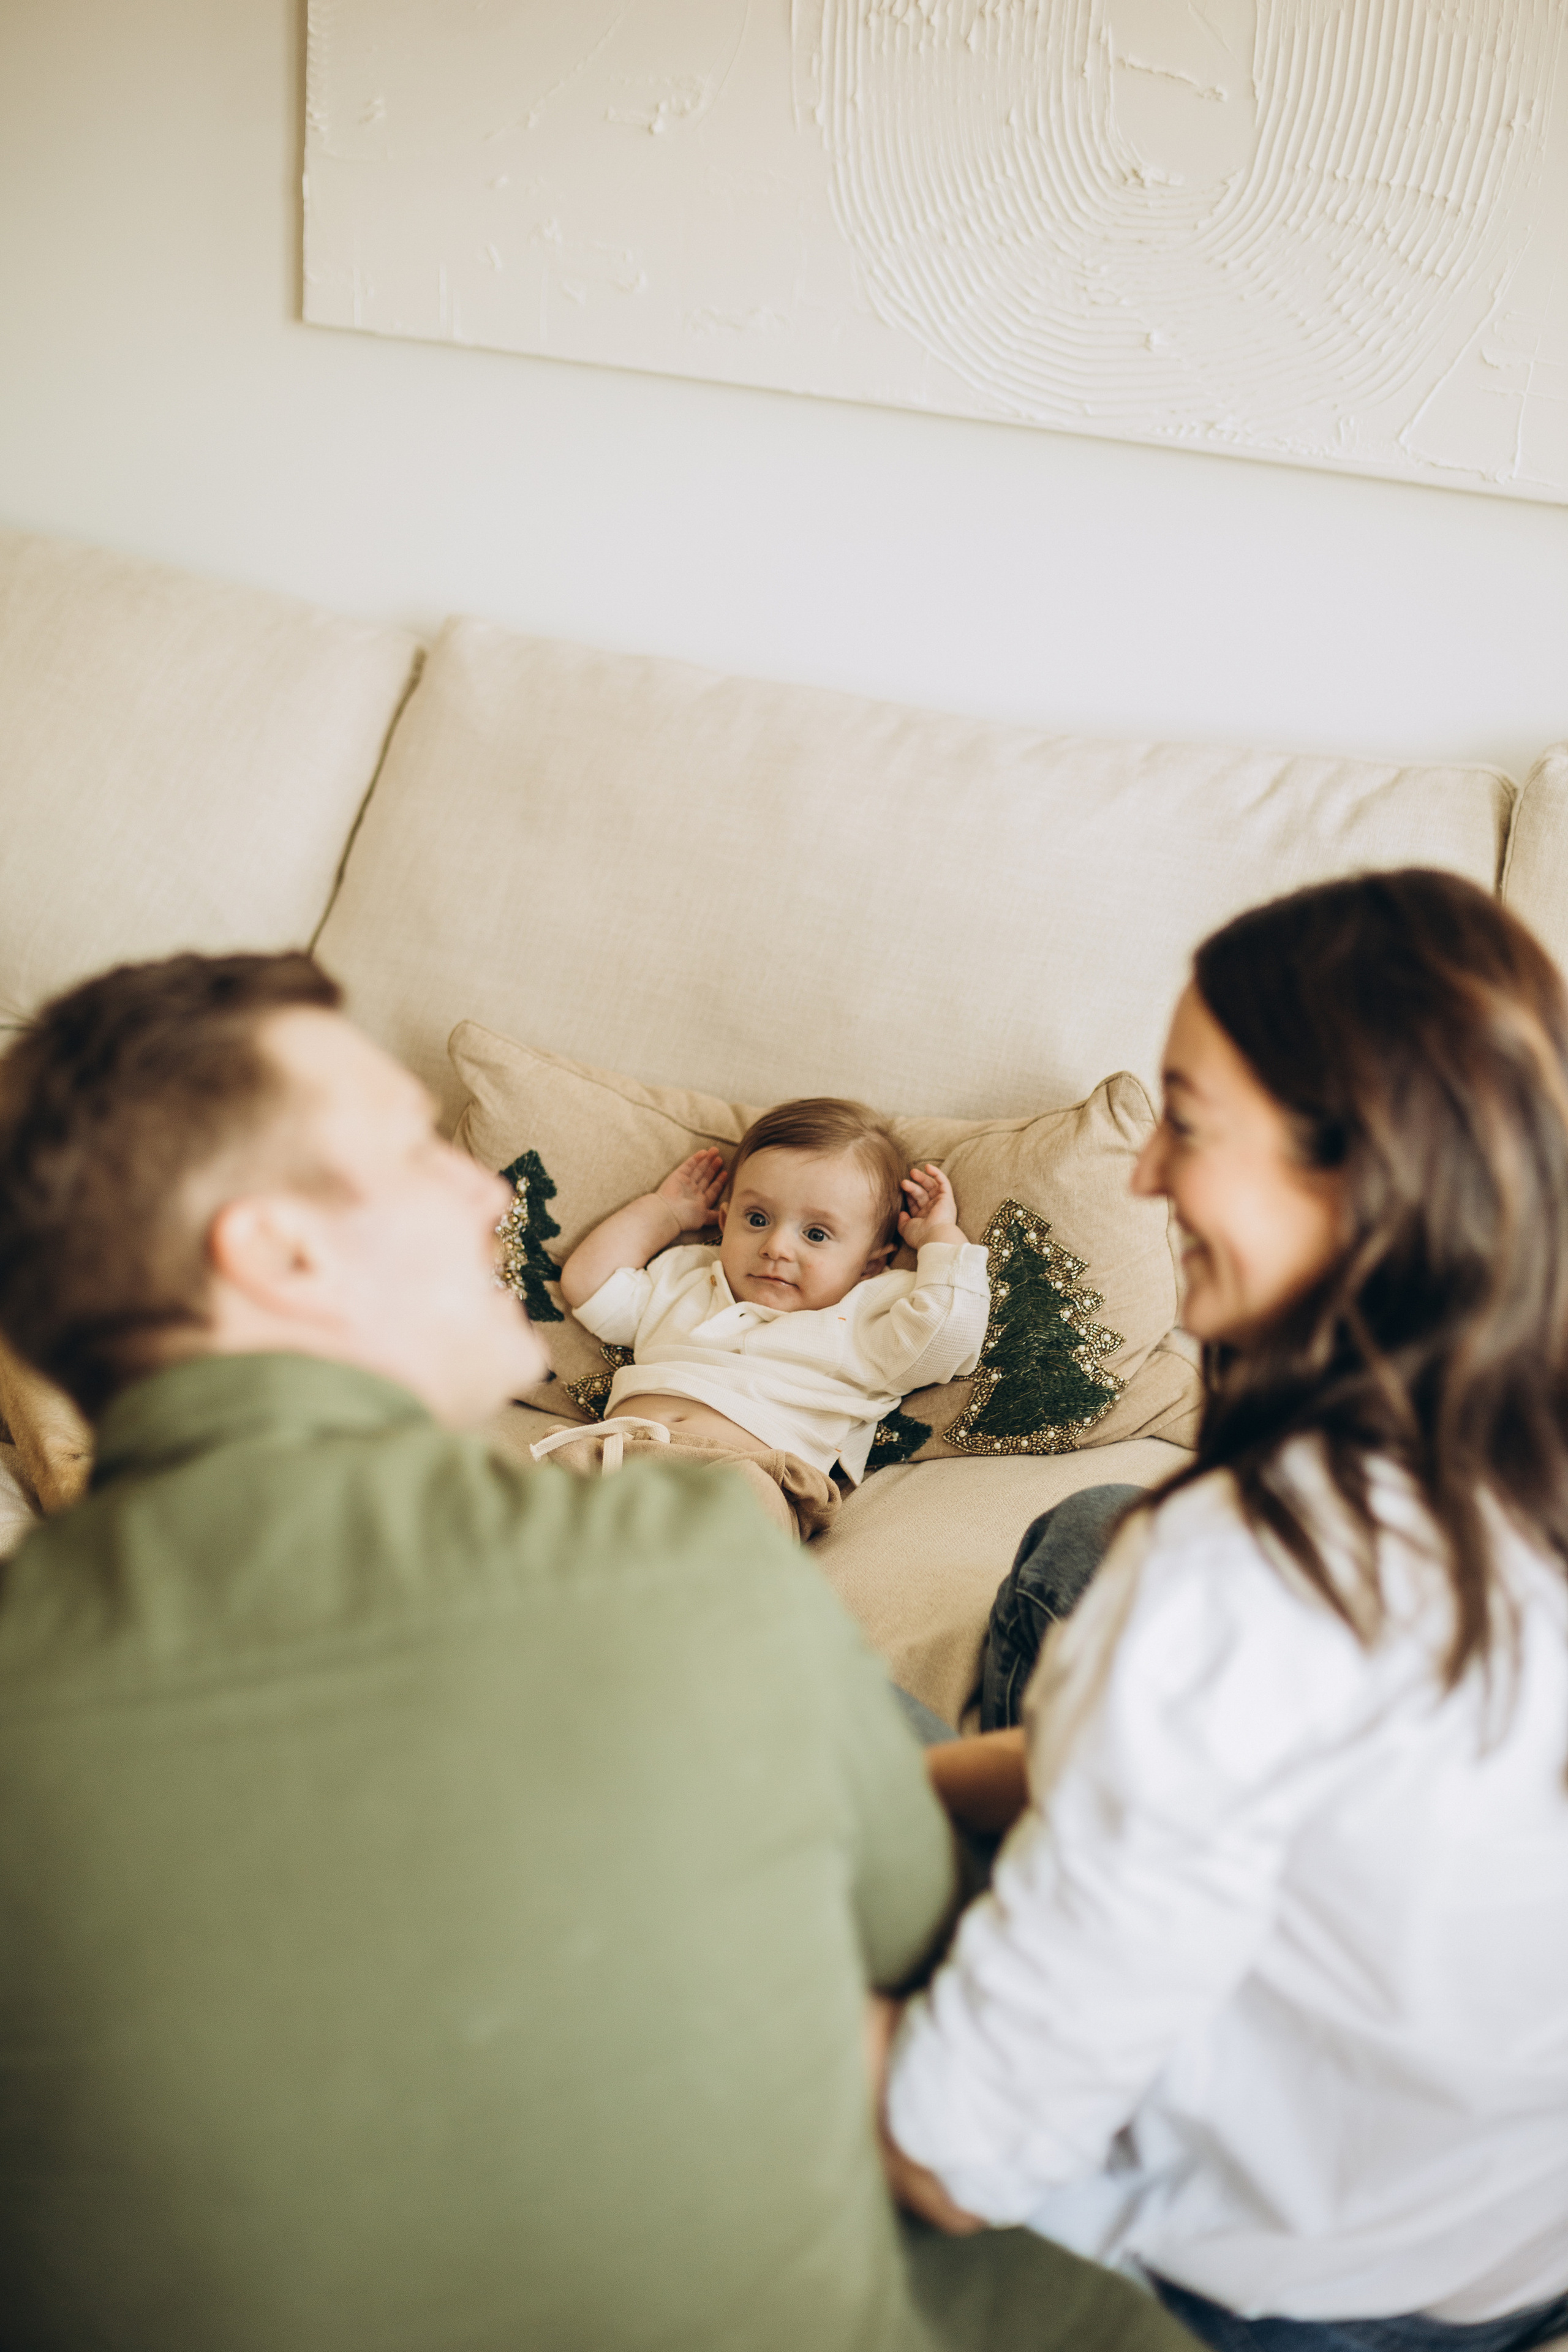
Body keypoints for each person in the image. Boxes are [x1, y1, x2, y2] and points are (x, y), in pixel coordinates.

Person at [0, 952, 1191, 2352]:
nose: (481, 1187)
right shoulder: (672, 1560)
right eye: (407, 1149)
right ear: (276, 1249)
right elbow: (933, 1943)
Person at [878, 870, 1568, 2352]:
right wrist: (908, 1785)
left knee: (851, 1701)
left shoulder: (1242, 1573)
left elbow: (950, 2157)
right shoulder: (1506, 1450)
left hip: (1267, 2289)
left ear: (1355, 1166)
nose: (1143, 1182)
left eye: (1183, 1125)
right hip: (1511, 2237)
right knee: (1078, 1534)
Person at [535, 1098, 990, 1538]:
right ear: (725, 1220)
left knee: (745, 1506)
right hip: (614, 1455)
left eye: (816, 1234)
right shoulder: (686, 1278)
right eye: (756, 1219)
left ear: (872, 1262)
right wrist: (666, 1213)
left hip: (754, 1475)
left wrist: (939, 1239)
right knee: (530, 1498)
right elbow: (590, 1284)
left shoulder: (867, 1315)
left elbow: (948, 1338)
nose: (776, 1246)